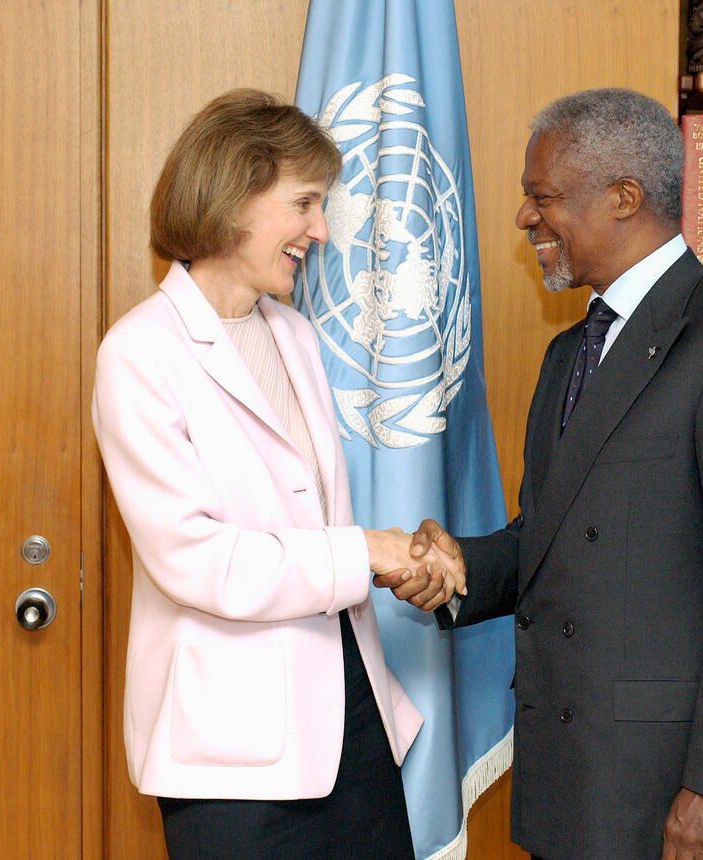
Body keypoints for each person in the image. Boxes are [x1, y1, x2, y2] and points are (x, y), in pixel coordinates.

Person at [386, 88, 703, 859]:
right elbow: (552, 539)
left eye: (543, 196)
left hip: (672, 796)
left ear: (624, 197)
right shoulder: (568, 354)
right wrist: (459, 568)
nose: (525, 217)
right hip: (573, 788)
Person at [92, 89, 459, 859]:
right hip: (234, 755)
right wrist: (367, 550)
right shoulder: (139, 354)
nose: (320, 231)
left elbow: (308, 517)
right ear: (234, 196)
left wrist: (396, 557)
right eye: (304, 203)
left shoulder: (294, 334)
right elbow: (198, 559)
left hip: (352, 721)